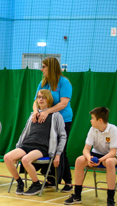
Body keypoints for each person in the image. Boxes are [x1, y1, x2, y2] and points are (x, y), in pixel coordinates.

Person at [4, 90, 66, 196]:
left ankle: (36, 184)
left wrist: (58, 154)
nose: (41, 99)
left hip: (42, 147)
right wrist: (18, 147)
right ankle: (19, 182)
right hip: (27, 144)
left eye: (43, 97)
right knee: (7, 157)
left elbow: (63, 136)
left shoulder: (56, 115)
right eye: (39, 97)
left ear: (49, 99)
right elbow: (24, 133)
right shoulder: (33, 115)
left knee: (25, 160)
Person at [64, 107, 117, 206]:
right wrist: (89, 158)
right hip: (96, 154)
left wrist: (100, 160)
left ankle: (110, 200)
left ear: (100, 120)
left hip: (111, 156)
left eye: (92, 118)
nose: (90, 120)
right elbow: (86, 149)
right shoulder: (92, 129)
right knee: (79, 160)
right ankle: (77, 195)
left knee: (108, 162)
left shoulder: (113, 129)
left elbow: (113, 152)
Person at [33, 56, 74, 192]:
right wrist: (35, 112)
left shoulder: (64, 82)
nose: (41, 69)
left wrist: (46, 112)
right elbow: (35, 101)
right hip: (47, 121)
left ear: (51, 68)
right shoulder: (43, 83)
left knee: (60, 150)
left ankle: (68, 182)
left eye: (44, 66)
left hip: (62, 120)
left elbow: (63, 103)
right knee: (48, 149)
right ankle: (51, 178)